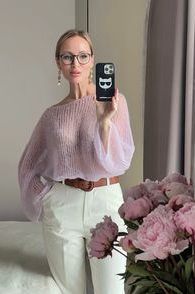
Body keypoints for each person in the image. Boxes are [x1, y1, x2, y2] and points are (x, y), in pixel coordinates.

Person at [18, 29, 135, 294]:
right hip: (63, 206)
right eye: (68, 57)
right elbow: (28, 165)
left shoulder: (115, 102)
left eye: (83, 56)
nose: (75, 64)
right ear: (58, 62)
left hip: (106, 202)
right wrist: (47, 197)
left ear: (93, 60)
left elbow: (120, 160)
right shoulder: (52, 115)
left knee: (111, 291)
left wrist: (104, 121)